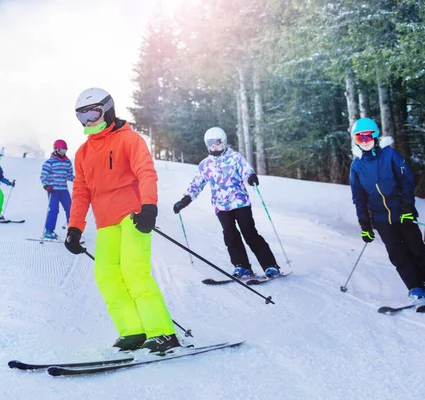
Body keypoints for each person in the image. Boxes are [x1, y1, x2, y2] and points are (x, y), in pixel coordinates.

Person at [64, 87, 179, 354]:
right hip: (105, 222)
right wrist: (74, 228)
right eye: (82, 117)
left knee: (134, 272)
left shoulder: (129, 140)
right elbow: (81, 192)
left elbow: (146, 172)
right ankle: (133, 330)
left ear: (108, 110)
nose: (88, 122)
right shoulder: (82, 153)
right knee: (106, 275)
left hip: (133, 215)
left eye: (92, 114)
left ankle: (162, 332)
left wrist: (149, 207)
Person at [349, 118, 425, 303]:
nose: (364, 140)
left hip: (403, 214)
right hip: (381, 220)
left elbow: (406, 182)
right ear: (355, 139)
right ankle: (417, 288)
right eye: (359, 137)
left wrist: (407, 208)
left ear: (375, 135)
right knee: (397, 255)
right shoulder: (356, 166)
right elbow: (359, 198)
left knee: (417, 250)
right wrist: (365, 225)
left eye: (367, 135)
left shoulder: (390, 155)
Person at [173, 127, 281, 280]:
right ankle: (242, 266)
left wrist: (250, 177)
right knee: (230, 236)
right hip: (221, 207)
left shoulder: (235, 158)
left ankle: (270, 266)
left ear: (223, 142)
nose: (214, 147)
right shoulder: (205, 164)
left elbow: (246, 170)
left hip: (240, 202)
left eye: (217, 143)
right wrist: (184, 201)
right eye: (210, 144)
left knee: (250, 233)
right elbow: (196, 185)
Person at [40, 139, 74, 239]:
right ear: (55, 150)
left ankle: (72, 231)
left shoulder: (67, 162)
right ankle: (48, 231)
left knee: (71, 209)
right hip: (53, 190)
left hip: (63, 190)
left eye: (65, 151)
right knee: (54, 209)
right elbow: (43, 176)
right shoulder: (49, 162)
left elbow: (69, 175)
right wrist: (46, 185)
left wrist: (78, 180)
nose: (63, 153)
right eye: (61, 151)